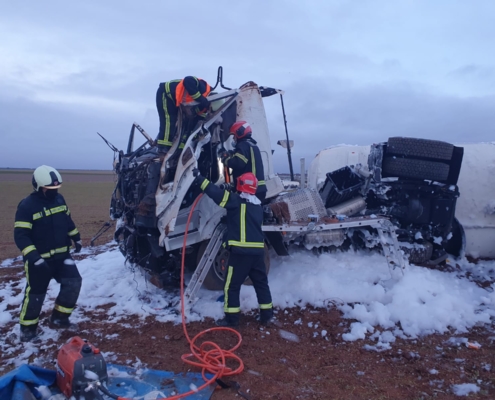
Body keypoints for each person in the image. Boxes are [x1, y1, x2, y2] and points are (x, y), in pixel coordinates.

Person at [193, 168, 273, 327]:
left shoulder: (235, 201)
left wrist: (199, 178)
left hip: (241, 253)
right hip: (257, 253)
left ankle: (232, 319)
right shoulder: (258, 206)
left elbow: (215, 193)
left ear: (241, 185)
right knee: (261, 284)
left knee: (232, 285)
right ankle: (267, 316)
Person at [14, 165, 83, 342]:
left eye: (56, 188)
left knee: (73, 282)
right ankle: (28, 329)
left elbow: (67, 221)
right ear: (38, 186)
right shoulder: (27, 206)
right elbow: (21, 236)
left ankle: (59, 318)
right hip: (39, 260)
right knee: (36, 294)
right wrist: (34, 258)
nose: (54, 191)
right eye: (49, 189)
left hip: (62, 257)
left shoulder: (59, 199)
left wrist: (76, 237)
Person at [155, 76, 212, 153]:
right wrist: (200, 98)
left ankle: (177, 147)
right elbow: (188, 80)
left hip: (176, 102)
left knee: (179, 124)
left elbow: (195, 120)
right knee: (168, 120)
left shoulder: (205, 107)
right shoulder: (204, 88)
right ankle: (163, 147)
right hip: (166, 93)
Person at [221, 121, 267, 201]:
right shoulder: (251, 145)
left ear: (240, 133)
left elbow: (239, 163)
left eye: (234, 136)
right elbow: (243, 157)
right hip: (258, 189)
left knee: (244, 212)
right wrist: (232, 153)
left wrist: (226, 160)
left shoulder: (243, 145)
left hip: (250, 190)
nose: (234, 139)